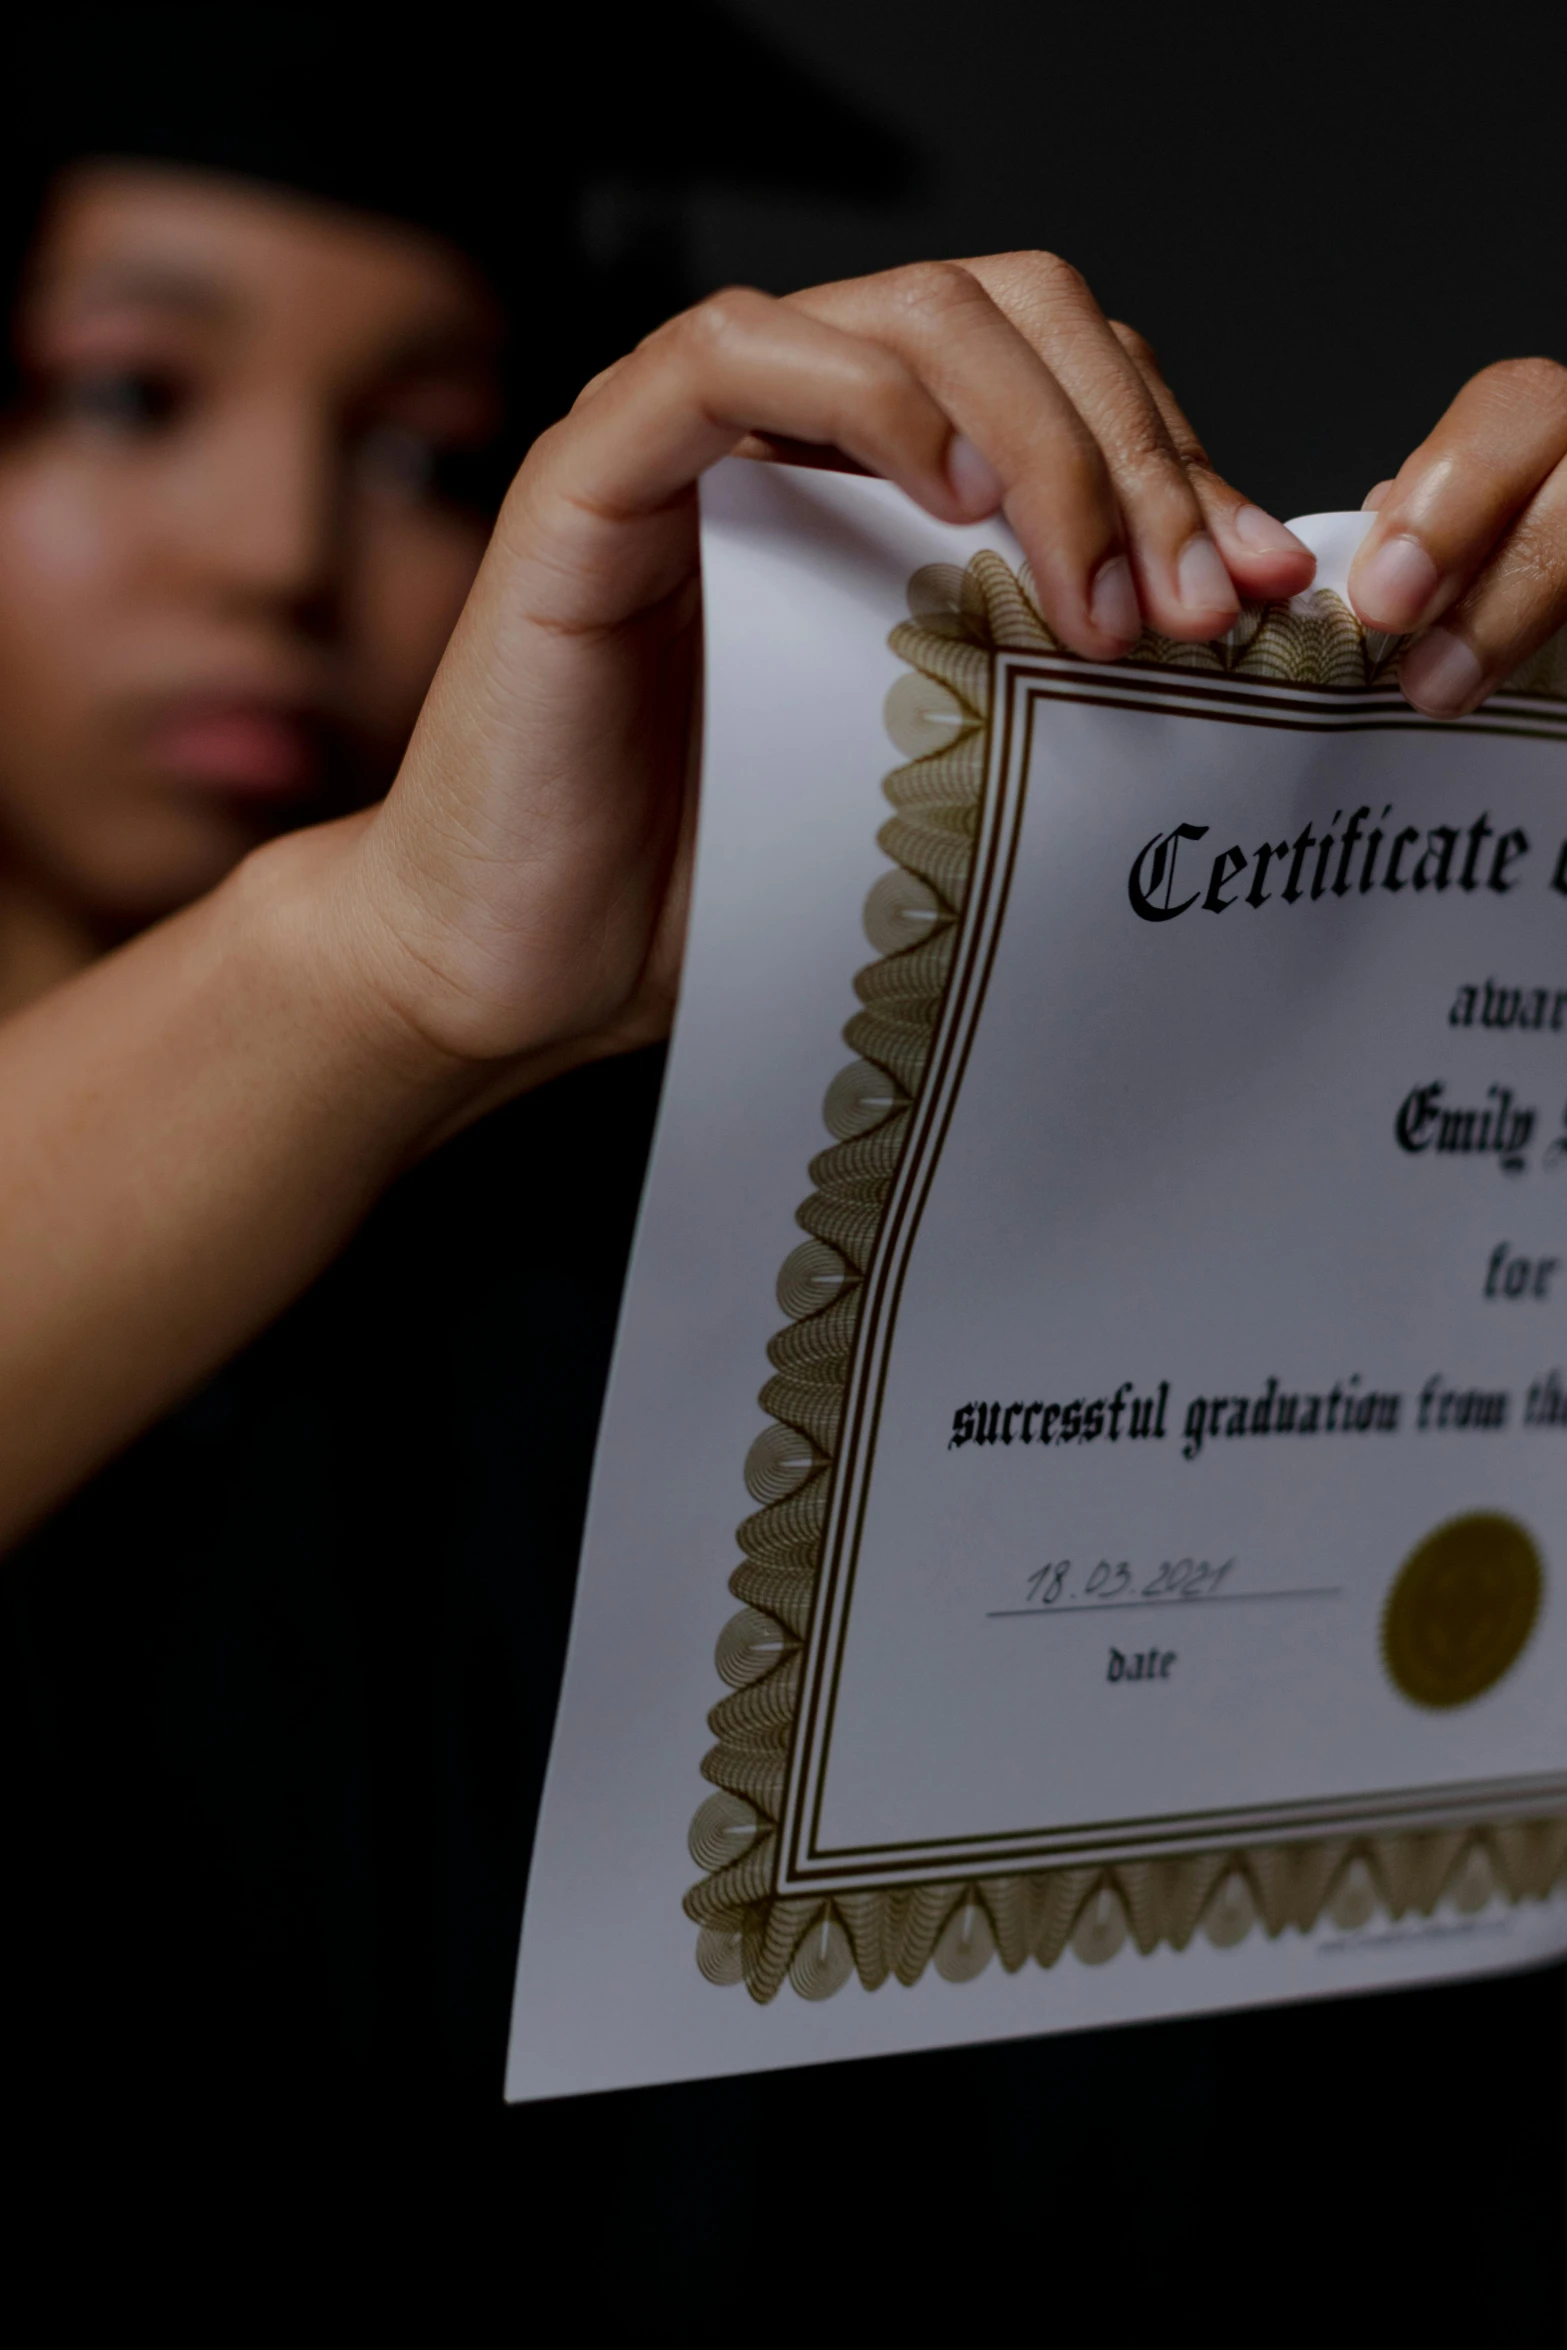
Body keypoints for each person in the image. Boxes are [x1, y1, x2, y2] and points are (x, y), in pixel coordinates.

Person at [3, 1, 1564, 2310]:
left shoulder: (712, 1315)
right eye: (134, 390)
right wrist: (381, 966)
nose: (275, 553)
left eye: (432, 447)